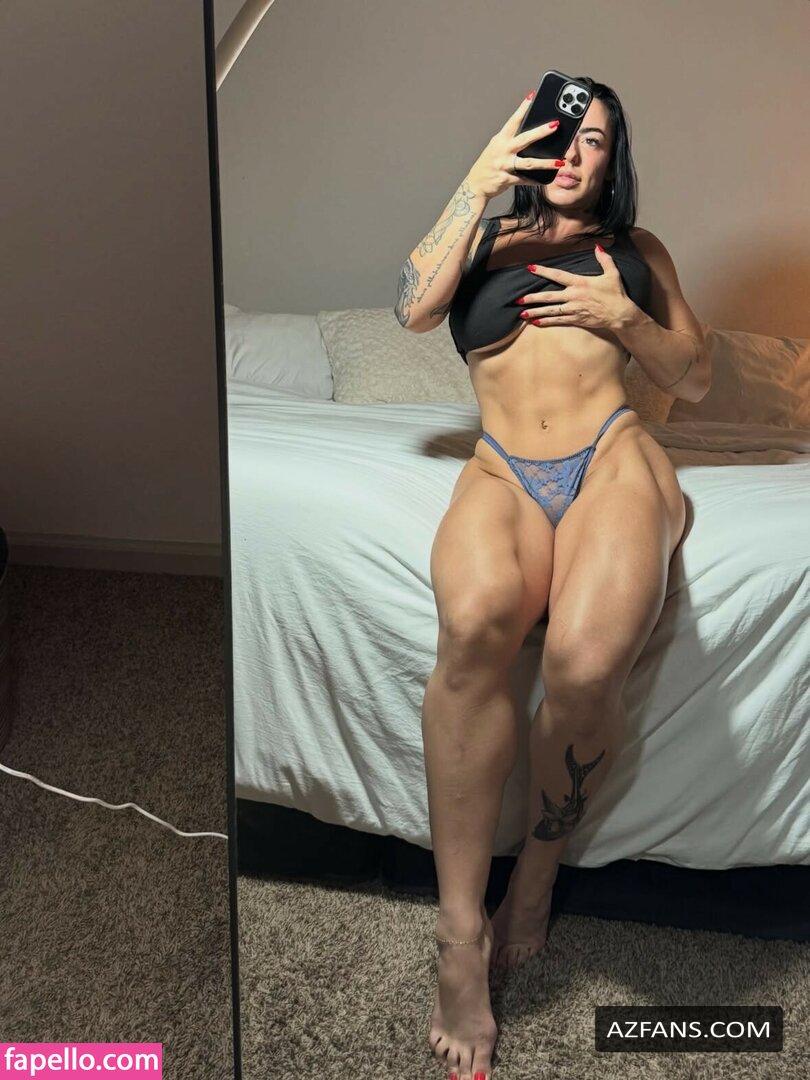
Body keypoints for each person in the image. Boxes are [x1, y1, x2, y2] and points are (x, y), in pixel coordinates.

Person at [394, 76, 710, 1080]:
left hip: (611, 453)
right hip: (503, 467)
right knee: (476, 622)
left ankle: (535, 874)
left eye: (598, 140)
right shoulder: (483, 235)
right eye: (562, 134)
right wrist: (479, 177)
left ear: (615, 160)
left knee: (583, 662)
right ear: (533, 140)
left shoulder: (637, 251)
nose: (576, 153)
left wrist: (624, 316)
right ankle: (459, 936)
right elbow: (411, 309)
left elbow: (695, 375)